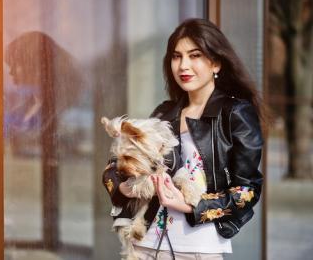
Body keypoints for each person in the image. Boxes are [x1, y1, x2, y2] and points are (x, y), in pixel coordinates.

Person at [102, 18, 265, 260]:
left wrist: (190, 205)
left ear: (216, 63)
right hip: (144, 245)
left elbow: (247, 191)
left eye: (194, 55)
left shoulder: (235, 113)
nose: (183, 65)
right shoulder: (163, 113)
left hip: (199, 248)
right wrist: (125, 188)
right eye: (176, 57)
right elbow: (113, 168)